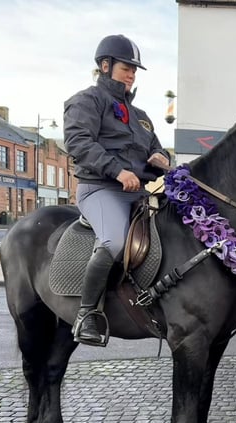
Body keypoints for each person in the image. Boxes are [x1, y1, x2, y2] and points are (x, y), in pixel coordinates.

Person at [64, 34, 171, 346]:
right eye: (127, 68)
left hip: (137, 193)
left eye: (135, 71)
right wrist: (117, 171)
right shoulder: (87, 101)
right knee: (113, 241)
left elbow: (157, 153)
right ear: (105, 65)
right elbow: (79, 142)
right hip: (100, 190)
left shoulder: (142, 118)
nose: (132, 74)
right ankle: (87, 314)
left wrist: (162, 161)